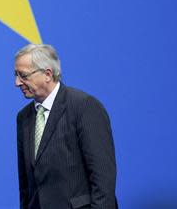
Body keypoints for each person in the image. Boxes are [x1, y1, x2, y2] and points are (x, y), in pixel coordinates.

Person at [15, 44, 117, 209]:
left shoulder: (84, 107)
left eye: (23, 76)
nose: (17, 83)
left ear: (47, 74)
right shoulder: (23, 117)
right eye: (16, 75)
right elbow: (26, 185)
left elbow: (103, 177)